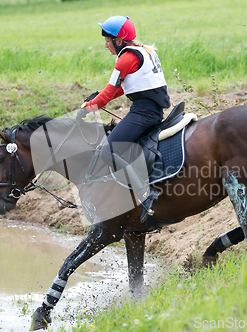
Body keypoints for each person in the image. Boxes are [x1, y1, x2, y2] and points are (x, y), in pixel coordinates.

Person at [78, 15, 171, 221]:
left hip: (143, 113)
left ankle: (144, 194)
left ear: (119, 41)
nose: (105, 45)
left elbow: (108, 94)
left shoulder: (125, 58)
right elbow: (121, 88)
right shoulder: (141, 51)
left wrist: (87, 107)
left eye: (107, 40)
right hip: (151, 110)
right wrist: (97, 98)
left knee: (108, 151)